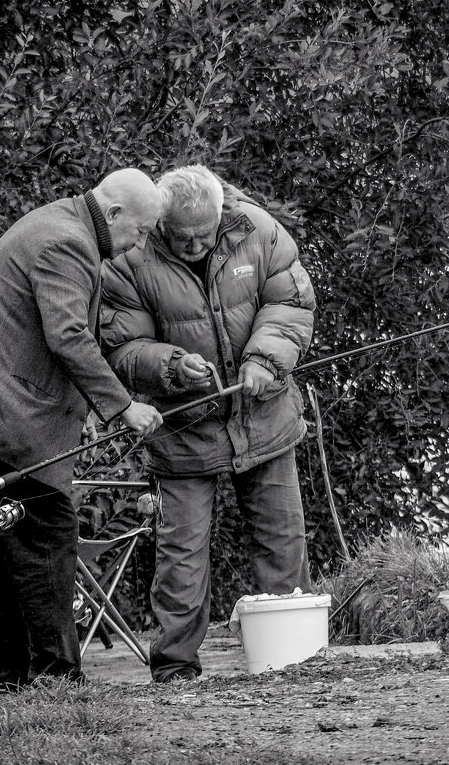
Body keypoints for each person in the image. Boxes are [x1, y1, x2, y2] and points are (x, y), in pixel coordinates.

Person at [0, 168, 164, 692]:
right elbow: (69, 336)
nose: (138, 243)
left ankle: (12, 681)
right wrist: (122, 408)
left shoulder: (59, 221)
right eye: (140, 231)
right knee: (48, 531)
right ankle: (56, 681)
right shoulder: (67, 242)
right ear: (115, 213)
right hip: (2, 412)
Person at [101, 164, 316, 683]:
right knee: (182, 554)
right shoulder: (129, 257)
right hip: (183, 426)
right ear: (159, 223)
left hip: (262, 416)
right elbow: (121, 345)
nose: (195, 243)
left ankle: (295, 655)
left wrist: (266, 359)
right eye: (182, 236)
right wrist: (170, 365)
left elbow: (291, 302)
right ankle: (175, 665)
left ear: (221, 213)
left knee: (282, 537)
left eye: (204, 233)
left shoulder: (258, 228)